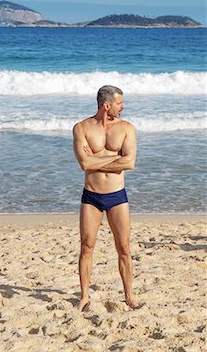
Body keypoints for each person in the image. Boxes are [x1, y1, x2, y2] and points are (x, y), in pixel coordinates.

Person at [73, 85, 139, 311]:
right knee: (86, 246)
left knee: (124, 247)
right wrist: (114, 161)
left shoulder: (127, 128)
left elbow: (130, 163)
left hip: (117, 196)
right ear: (106, 105)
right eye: (120, 103)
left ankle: (129, 296)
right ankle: (84, 296)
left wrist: (96, 162)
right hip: (91, 196)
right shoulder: (81, 128)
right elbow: (84, 164)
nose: (123, 107)